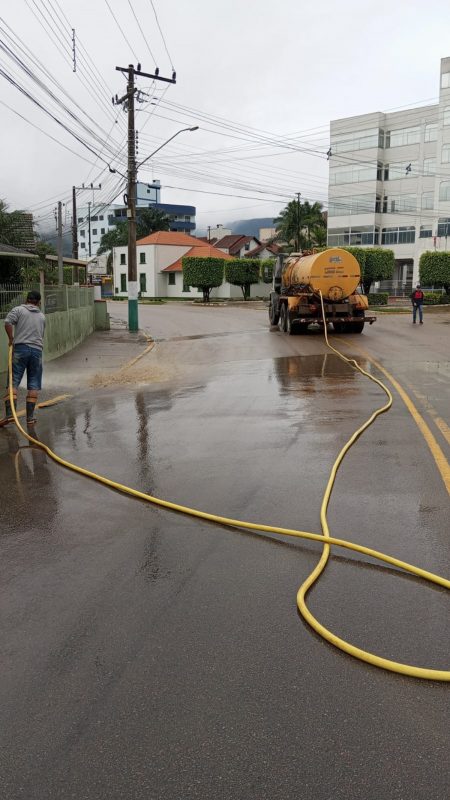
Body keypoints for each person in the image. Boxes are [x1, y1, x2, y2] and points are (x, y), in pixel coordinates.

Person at [1, 290, 46, 426]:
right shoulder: (42, 316)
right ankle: (30, 418)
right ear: (38, 302)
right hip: (37, 351)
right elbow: (41, 335)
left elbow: (8, 322)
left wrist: (11, 339)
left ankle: (10, 415)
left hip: (21, 349)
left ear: (27, 299)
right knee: (33, 384)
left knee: (13, 381)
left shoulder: (18, 310)